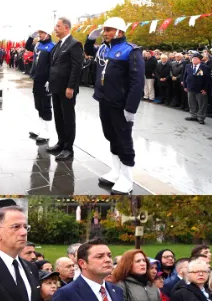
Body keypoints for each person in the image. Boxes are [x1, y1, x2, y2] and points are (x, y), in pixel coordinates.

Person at [84, 18, 143, 195]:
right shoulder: (103, 48)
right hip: (105, 100)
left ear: (120, 31)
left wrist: (131, 108)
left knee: (124, 139)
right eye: (104, 30)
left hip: (120, 104)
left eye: (109, 30)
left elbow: (137, 82)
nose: (105, 33)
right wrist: (89, 39)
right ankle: (116, 171)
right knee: (110, 135)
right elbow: (88, 52)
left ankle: (127, 177)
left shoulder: (131, 51)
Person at [47, 17, 84, 161]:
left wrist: (70, 87)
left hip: (66, 89)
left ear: (66, 28)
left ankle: (69, 148)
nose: (55, 28)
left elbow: (76, 68)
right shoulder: (58, 45)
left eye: (58, 26)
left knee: (68, 118)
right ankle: (61, 142)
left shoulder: (74, 44)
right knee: (58, 117)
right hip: (56, 87)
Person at [25, 27, 56, 144]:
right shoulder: (38, 45)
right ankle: (41, 128)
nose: (40, 35)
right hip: (37, 79)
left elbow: (54, 64)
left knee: (46, 105)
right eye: (39, 33)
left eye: (41, 33)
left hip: (46, 80)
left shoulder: (52, 46)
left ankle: (47, 132)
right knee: (38, 104)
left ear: (47, 34)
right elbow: (28, 47)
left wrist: (51, 79)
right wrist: (30, 37)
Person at [184, 53, 212, 124]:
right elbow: (185, 76)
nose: (194, 60)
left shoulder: (205, 67)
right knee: (191, 103)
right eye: (193, 58)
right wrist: (185, 86)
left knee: (202, 104)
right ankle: (193, 115)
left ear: (200, 60)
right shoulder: (188, 66)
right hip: (190, 87)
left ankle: (201, 117)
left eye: (196, 58)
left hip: (200, 89)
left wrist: (205, 89)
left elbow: (207, 79)